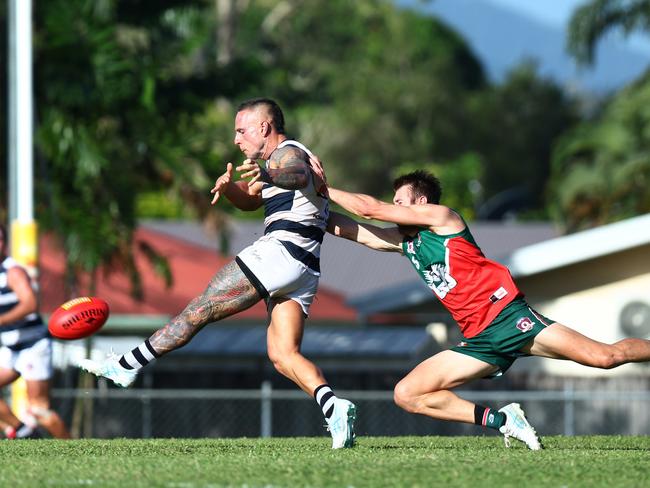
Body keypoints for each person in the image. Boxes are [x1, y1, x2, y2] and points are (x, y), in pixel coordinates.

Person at [78, 98, 356, 449]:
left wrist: (269, 173)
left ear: (264, 128)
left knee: (200, 309)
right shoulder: (270, 163)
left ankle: (127, 364)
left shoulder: (288, 153)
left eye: (242, 131)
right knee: (283, 354)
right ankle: (335, 407)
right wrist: (229, 190)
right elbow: (253, 200)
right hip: (304, 266)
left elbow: (297, 174)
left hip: (280, 252)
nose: (237, 140)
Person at [314, 163, 650, 450]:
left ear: (422, 202)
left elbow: (370, 209)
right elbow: (355, 230)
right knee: (408, 394)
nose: (395, 206)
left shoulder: (444, 218)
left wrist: (317, 184)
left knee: (605, 357)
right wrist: (300, 203)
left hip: (509, 317)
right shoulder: (408, 242)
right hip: (480, 340)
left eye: (401, 201)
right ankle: (505, 420)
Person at [0, 225, 70, 439]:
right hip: (11, 348)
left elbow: (30, 303)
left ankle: (76, 451)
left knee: (39, 409)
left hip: (33, 346)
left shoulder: (13, 271)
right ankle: (24, 433)